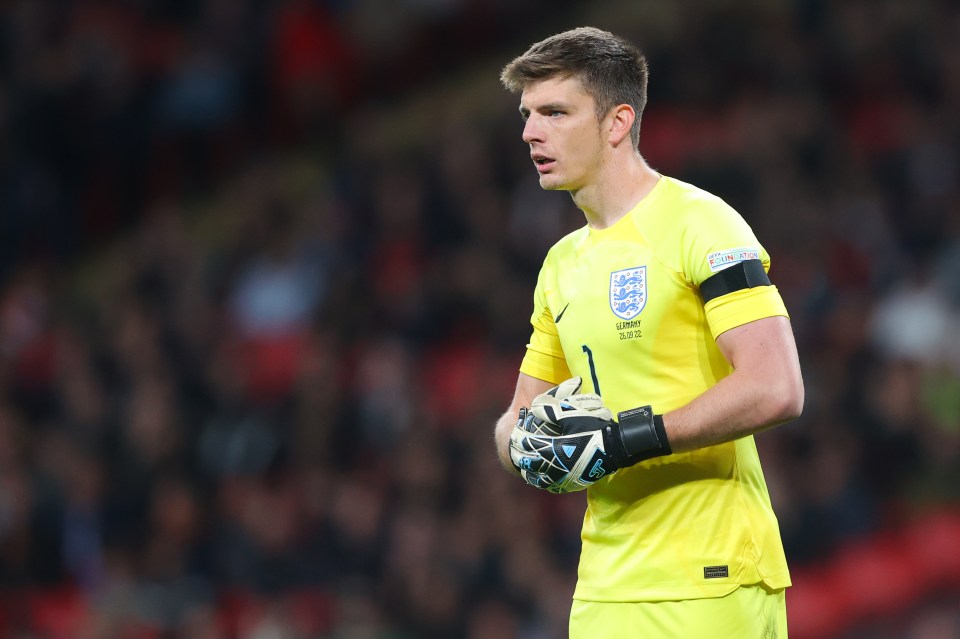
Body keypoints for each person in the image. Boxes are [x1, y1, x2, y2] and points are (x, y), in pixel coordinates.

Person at [493, 27, 804, 637]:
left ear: (617, 122)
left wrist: (624, 441)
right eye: (528, 115)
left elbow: (776, 386)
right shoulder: (560, 265)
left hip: (712, 579)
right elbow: (517, 418)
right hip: (604, 589)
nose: (531, 132)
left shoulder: (702, 224)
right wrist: (526, 449)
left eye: (555, 112)